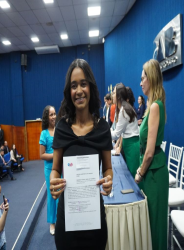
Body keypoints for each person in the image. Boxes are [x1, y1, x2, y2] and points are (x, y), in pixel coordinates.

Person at [50, 59, 113, 250]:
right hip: (67, 220)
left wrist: (108, 180)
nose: (78, 91)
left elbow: (108, 168)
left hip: (94, 219)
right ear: (69, 92)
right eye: (74, 85)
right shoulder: (61, 128)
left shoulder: (102, 128)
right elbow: (54, 169)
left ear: (90, 87)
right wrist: (53, 183)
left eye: (83, 84)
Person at [135, 59, 168, 250]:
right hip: (151, 173)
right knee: (151, 224)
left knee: (156, 227)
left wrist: (139, 174)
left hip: (154, 173)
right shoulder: (152, 106)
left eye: (143, 78)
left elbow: (149, 153)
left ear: (152, 78)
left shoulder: (155, 106)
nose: (140, 83)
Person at [111, 84, 140, 180]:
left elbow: (116, 135)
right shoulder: (124, 108)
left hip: (132, 147)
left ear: (118, 96)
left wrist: (103, 132)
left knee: (133, 177)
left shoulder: (124, 110)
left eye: (114, 92)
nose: (112, 94)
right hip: (130, 145)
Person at [39, 105, 57, 235]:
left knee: (62, 194)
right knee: (52, 195)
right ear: (47, 117)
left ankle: (61, 219)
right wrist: (56, 155)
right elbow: (42, 155)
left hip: (61, 167)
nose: (54, 117)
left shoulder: (59, 129)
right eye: (51, 115)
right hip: (49, 168)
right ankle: (52, 223)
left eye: (54, 114)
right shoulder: (44, 133)